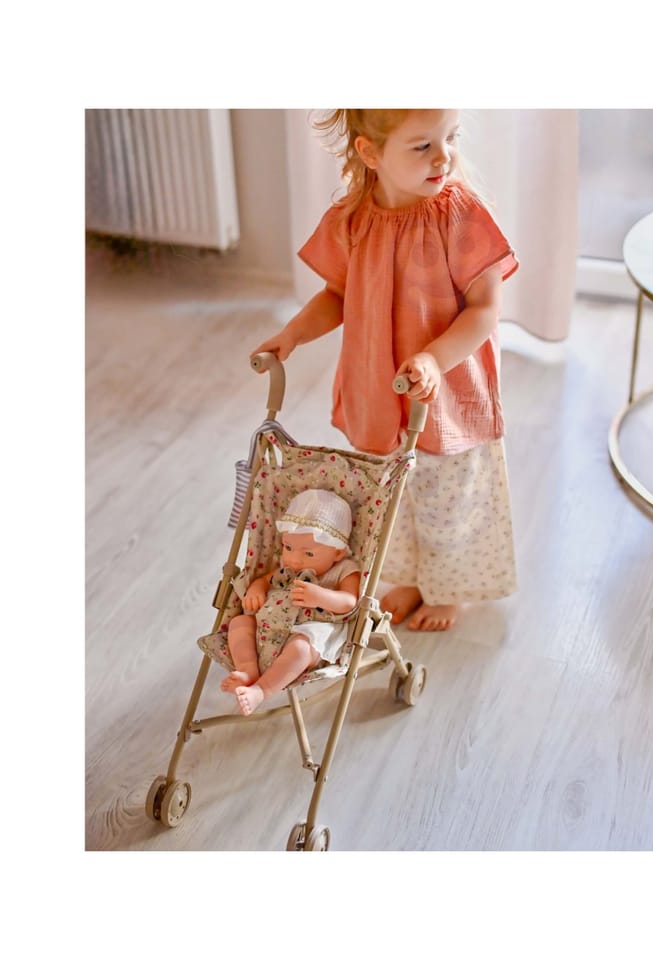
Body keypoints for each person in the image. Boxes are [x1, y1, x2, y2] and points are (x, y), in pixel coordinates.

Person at [253, 109, 519, 632]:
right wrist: (294, 334)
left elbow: (485, 308)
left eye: (450, 138)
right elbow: (337, 294)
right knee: (392, 496)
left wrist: (434, 358)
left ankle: (447, 589)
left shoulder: (461, 215)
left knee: (445, 501)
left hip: (445, 394)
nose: (444, 156)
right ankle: (414, 579)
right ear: (370, 152)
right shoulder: (352, 219)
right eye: (422, 146)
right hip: (378, 388)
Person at [221, 489, 361, 715]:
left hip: (312, 631)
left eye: (309, 554)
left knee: (300, 648)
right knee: (239, 623)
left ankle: (261, 690)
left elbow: (349, 601)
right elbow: (266, 580)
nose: (294, 559)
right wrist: (257, 588)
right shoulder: (288, 568)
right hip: (270, 628)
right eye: (288, 548)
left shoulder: (344, 569)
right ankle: (248, 670)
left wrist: (321, 597)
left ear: (337, 553)